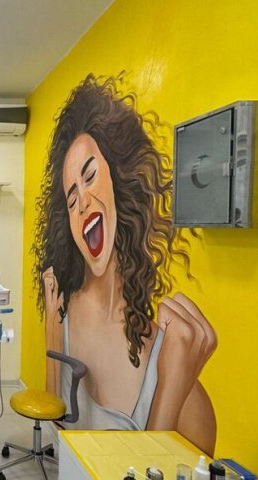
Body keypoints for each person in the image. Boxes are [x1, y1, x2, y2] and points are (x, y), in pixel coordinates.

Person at [34, 73, 217, 455]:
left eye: (89, 177)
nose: (82, 201)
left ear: (120, 180)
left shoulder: (173, 358)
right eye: (71, 197)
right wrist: (52, 319)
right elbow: (54, 425)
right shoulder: (63, 309)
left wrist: (173, 384)